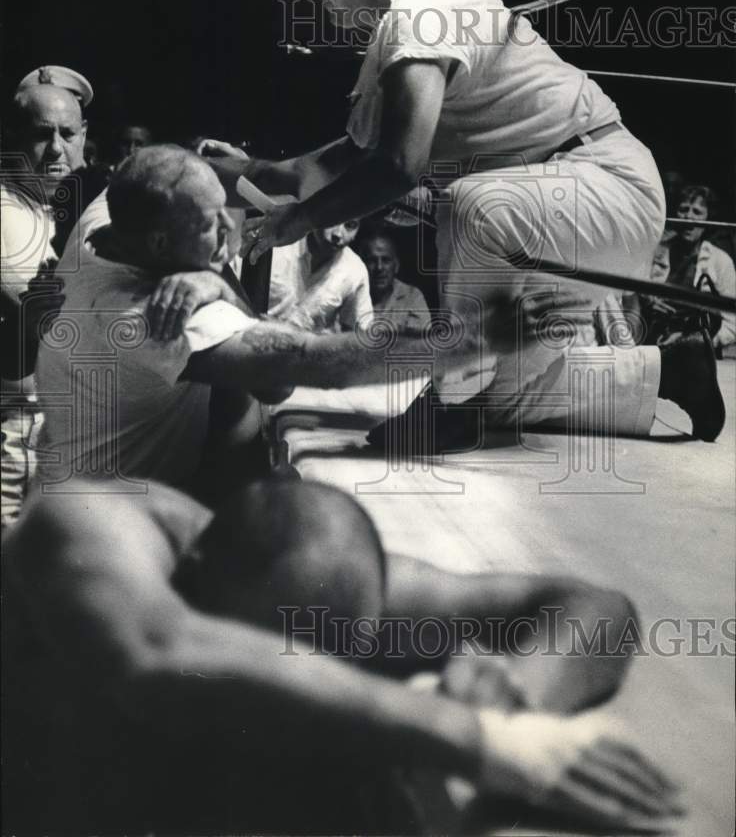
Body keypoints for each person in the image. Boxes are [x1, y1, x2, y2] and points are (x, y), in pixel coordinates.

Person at [199, 0, 724, 445]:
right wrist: (248, 171)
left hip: (603, 188)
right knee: (506, 393)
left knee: (474, 206)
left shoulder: (420, 12)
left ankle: (450, 398)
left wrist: (298, 221)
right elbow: (340, 164)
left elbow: (398, 165)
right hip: (557, 216)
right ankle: (673, 367)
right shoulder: (395, 31)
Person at [2, 476, 683, 835]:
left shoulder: (335, 580)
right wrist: (472, 736)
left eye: (329, 665)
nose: (295, 683)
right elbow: (156, 652)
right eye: (274, 659)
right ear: (194, 574)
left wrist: (512, 696)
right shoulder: (86, 522)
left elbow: (595, 609)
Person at [33, 144, 523, 502]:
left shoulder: (108, 218)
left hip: (68, 499)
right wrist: (473, 340)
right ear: (160, 245)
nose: (230, 227)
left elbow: (181, 166)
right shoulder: (155, 316)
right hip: (103, 536)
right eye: (209, 223)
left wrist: (285, 174)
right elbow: (296, 368)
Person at [1, 70, 91, 525]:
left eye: (67, 133)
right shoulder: (5, 216)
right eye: (41, 135)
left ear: (84, 138)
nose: (56, 149)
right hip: (14, 439)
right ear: (12, 137)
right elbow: (58, 329)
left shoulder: (55, 206)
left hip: (52, 433)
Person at [268, 219, 373, 332]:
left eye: (350, 226)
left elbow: (360, 333)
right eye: (332, 220)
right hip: (254, 340)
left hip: (308, 347)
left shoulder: (355, 270)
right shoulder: (277, 246)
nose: (337, 234)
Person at [665, 185, 735, 351]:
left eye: (697, 212)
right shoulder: (658, 250)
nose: (688, 217)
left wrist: (693, 343)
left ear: (708, 218)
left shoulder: (720, 260)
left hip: (696, 354)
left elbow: (733, 323)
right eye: (683, 209)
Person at [359, 228, 430, 335]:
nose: (379, 267)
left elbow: (421, 345)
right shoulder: (351, 295)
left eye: (386, 260)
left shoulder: (412, 297)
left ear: (396, 265)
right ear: (361, 265)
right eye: (372, 260)